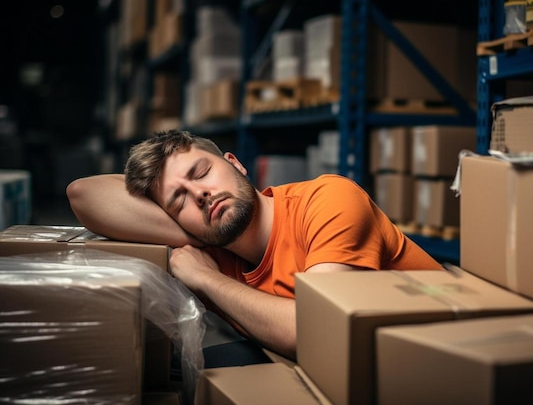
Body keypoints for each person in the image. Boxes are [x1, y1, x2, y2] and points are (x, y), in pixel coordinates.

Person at [66, 129, 443, 362]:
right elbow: (84, 194)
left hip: (438, 360)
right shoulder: (214, 247)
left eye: (202, 173)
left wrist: (206, 280)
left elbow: (313, 332)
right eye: (178, 201)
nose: (200, 194)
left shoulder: (330, 199)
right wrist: (193, 229)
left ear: (236, 164)